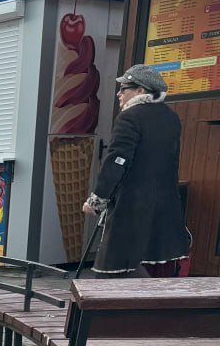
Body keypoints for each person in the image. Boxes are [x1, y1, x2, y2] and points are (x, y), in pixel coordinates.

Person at [82, 64, 191, 277]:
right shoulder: (171, 118)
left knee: (119, 268)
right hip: (166, 207)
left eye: (124, 88)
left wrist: (97, 199)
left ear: (140, 90)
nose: (119, 93)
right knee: (157, 268)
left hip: (132, 207)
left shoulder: (130, 117)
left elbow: (117, 161)